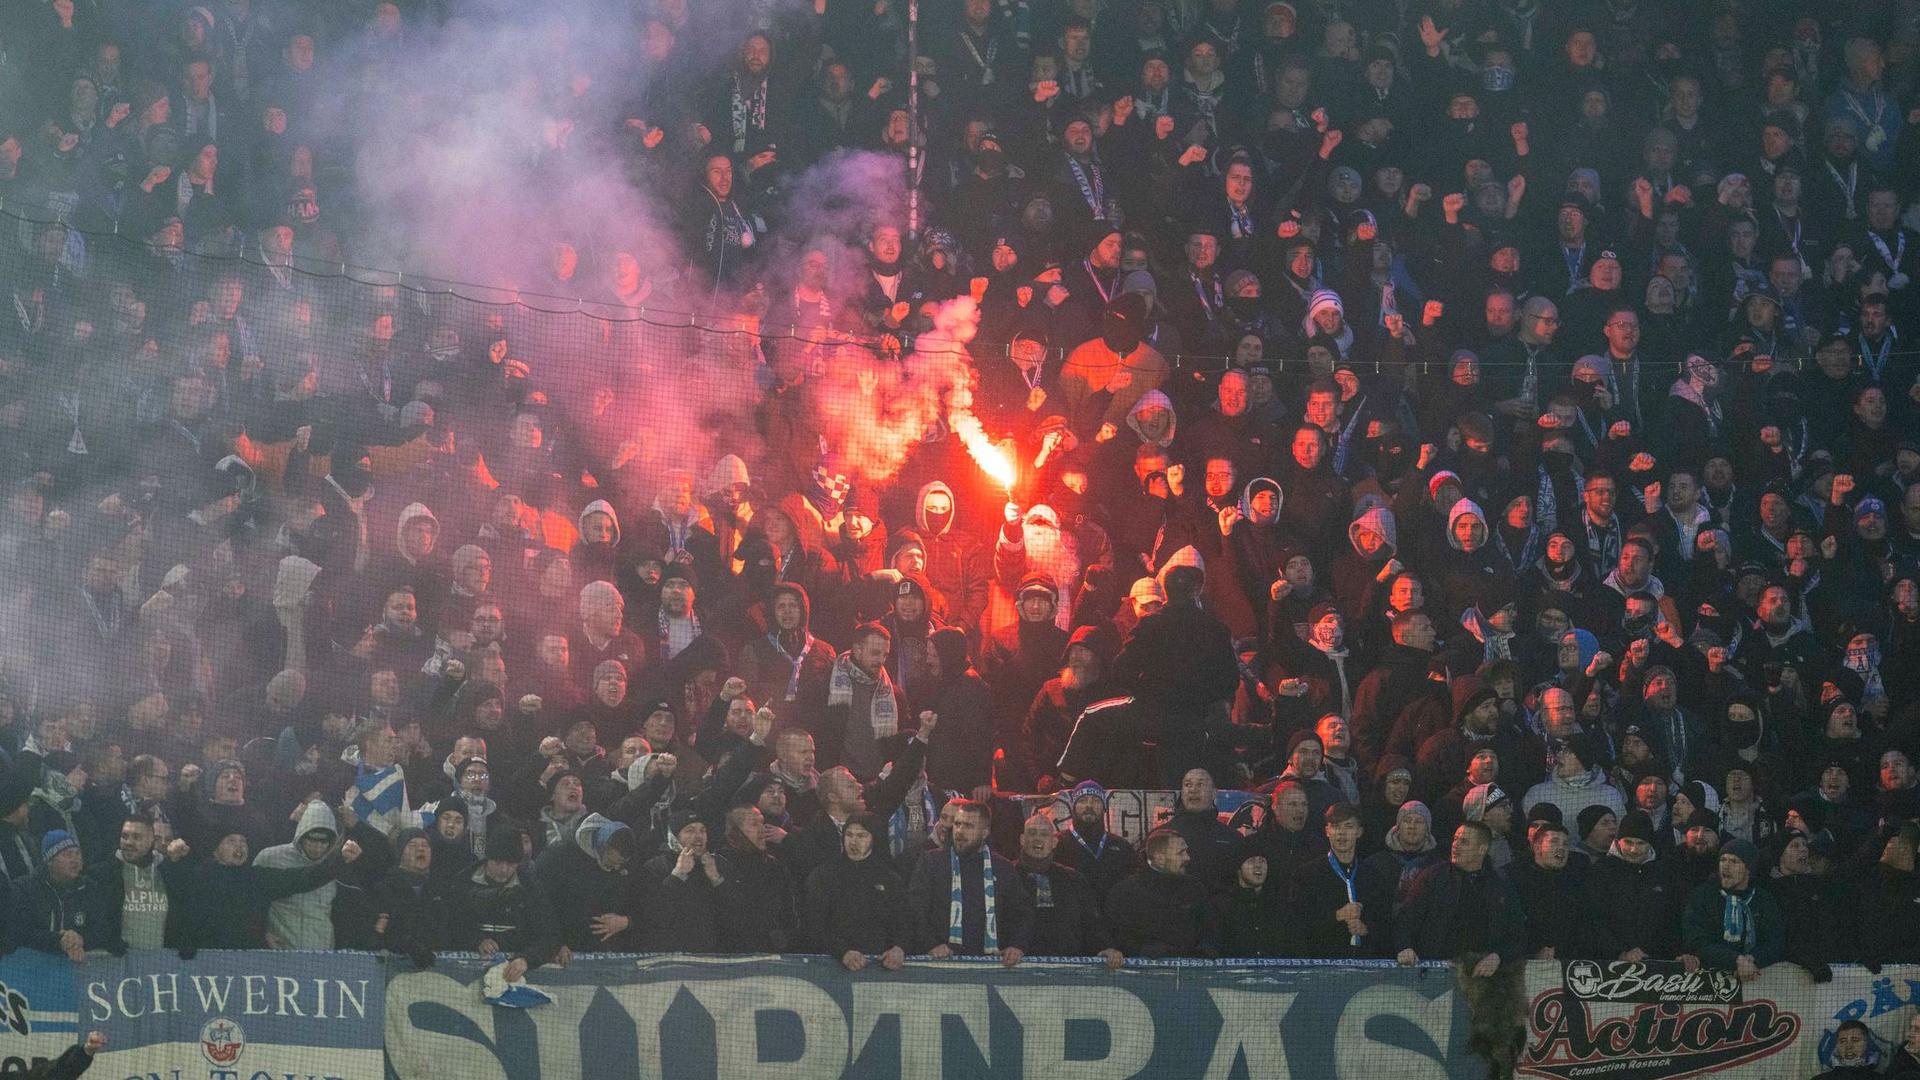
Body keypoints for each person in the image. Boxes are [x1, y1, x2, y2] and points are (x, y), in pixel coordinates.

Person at [803, 811, 911, 971]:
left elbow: (904, 922)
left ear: (874, 838)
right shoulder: (823, 875)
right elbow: (814, 925)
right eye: (849, 835)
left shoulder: (889, 878)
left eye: (861, 836)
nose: (853, 842)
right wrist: (842, 952)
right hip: (832, 967)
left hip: (879, 969)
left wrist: (899, 947)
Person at [1104, 829, 1220, 958]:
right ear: (1160, 858)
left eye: (1186, 851)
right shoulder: (1125, 892)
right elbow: (1116, 935)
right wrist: (1145, 951)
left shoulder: (1195, 888)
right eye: (1180, 853)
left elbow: (1211, 928)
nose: (1188, 858)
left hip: (1191, 973)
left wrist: (1205, 950)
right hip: (1143, 974)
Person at [1680, 839, 1784, 980]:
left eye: (1734, 861)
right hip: (1706, 981)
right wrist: (1736, 960)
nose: (1726, 866)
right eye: (1723, 860)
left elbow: (1774, 942)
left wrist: (1751, 959)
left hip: (1756, 980)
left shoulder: (1763, 900)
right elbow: (1697, 940)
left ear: (1749, 869)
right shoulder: (1702, 896)